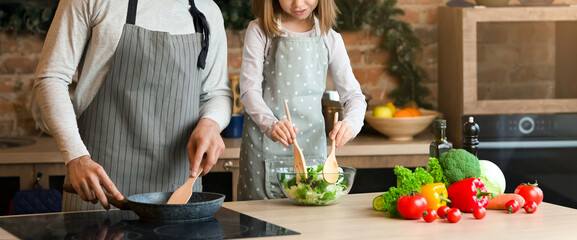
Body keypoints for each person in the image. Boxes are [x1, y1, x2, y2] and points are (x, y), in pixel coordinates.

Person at [32, 0, 232, 211]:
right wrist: (76, 157)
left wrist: (211, 123)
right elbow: (51, 78)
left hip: (177, 196)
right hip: (98, 191)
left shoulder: (207, 10)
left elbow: (217, 92)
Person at [238, 0, 366, 200]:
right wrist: (270, 125)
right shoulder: (259, 30)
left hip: (312, 149)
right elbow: (248, 90)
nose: (298, 3)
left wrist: (351, 124)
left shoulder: (329, 38)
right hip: (264, 146)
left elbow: (354, 96)